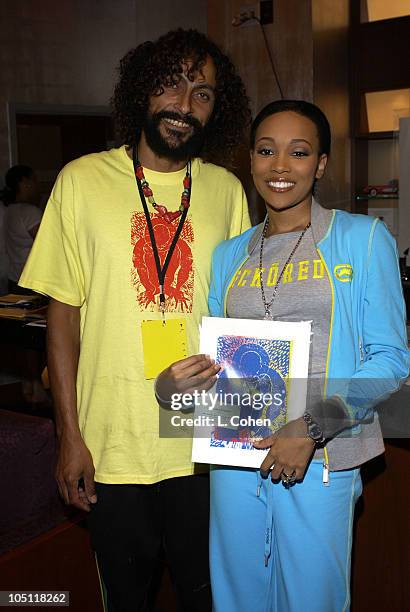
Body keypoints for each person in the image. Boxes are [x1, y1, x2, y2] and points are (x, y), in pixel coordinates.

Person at [19, 28, 251, 612]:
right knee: (126, 597)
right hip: (113, 439)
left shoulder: (225, 190)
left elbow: (241, 316)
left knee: (207, 595)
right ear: (141, 92)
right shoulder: (80, 181)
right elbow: (62, 317)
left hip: (203, 439)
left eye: (202, 92)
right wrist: (70, 436)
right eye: (171, 84)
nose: (185, 103)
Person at [205, 100, 409, 611]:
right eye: (266, 151)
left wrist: (310, 428)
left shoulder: (361, 240)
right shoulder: (228, 254)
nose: (280, 167)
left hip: (321, 454)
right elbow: (218, 359)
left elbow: (389, 361)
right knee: (237, 598)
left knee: (311, 599)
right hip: (236, 455)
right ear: (249, 160)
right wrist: (195, 376)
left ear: (319, 165)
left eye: (298, 153)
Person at [1, 165, 42, 293]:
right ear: (25, 182)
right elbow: (48, 243)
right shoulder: (30, 213)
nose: (37, 185)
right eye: (34, 180)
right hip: (31, 281)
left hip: (14, 279)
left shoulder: (8, 210)